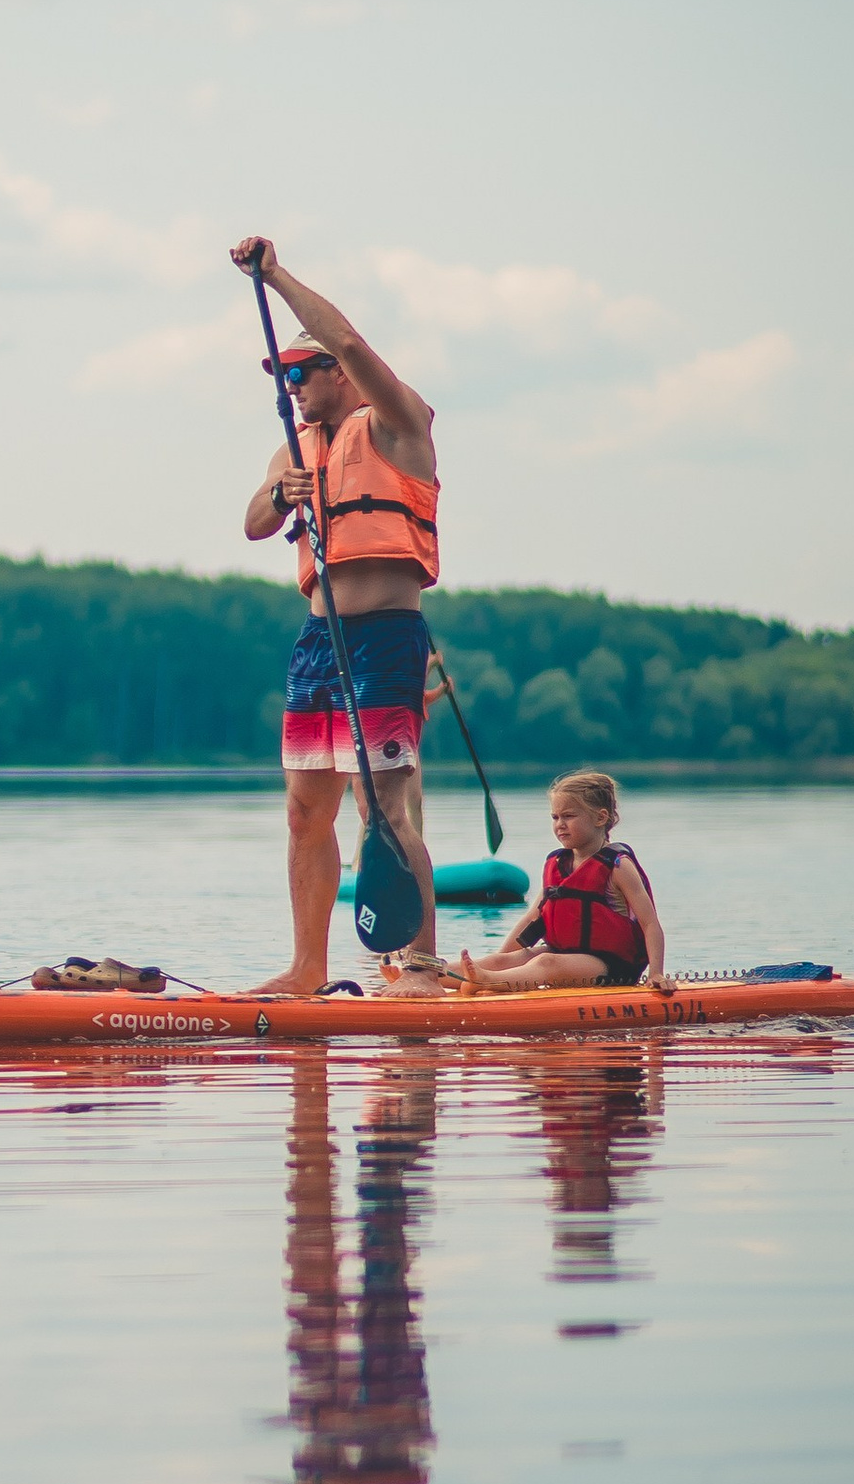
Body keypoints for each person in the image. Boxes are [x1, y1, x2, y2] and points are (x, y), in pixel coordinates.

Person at [232, 236, 440, 989]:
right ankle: (307, 968)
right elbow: (254, 525)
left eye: (300, 371)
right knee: (303, 811)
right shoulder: (294, 450)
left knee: (383, 807)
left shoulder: (396, 423)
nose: (290, 386)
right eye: (282, 375)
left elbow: (349, 341)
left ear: (336, 373)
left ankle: (420, 964)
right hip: (319, 643)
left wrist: (274, 276)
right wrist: (278, 493)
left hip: (384, 638)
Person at [451, 771, 666, 995]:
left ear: (600, 818)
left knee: (546, 962)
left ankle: (488, 982)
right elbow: (531, 919)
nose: (560, 825)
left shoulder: (618, 866)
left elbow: (650, 923)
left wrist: (656, 973)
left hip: (611, 967)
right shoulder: (557, 864)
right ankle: (433, 974)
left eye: (568, 816)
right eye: (555, 817)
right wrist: (502, 961)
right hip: (564, 956)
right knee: (501, 961)